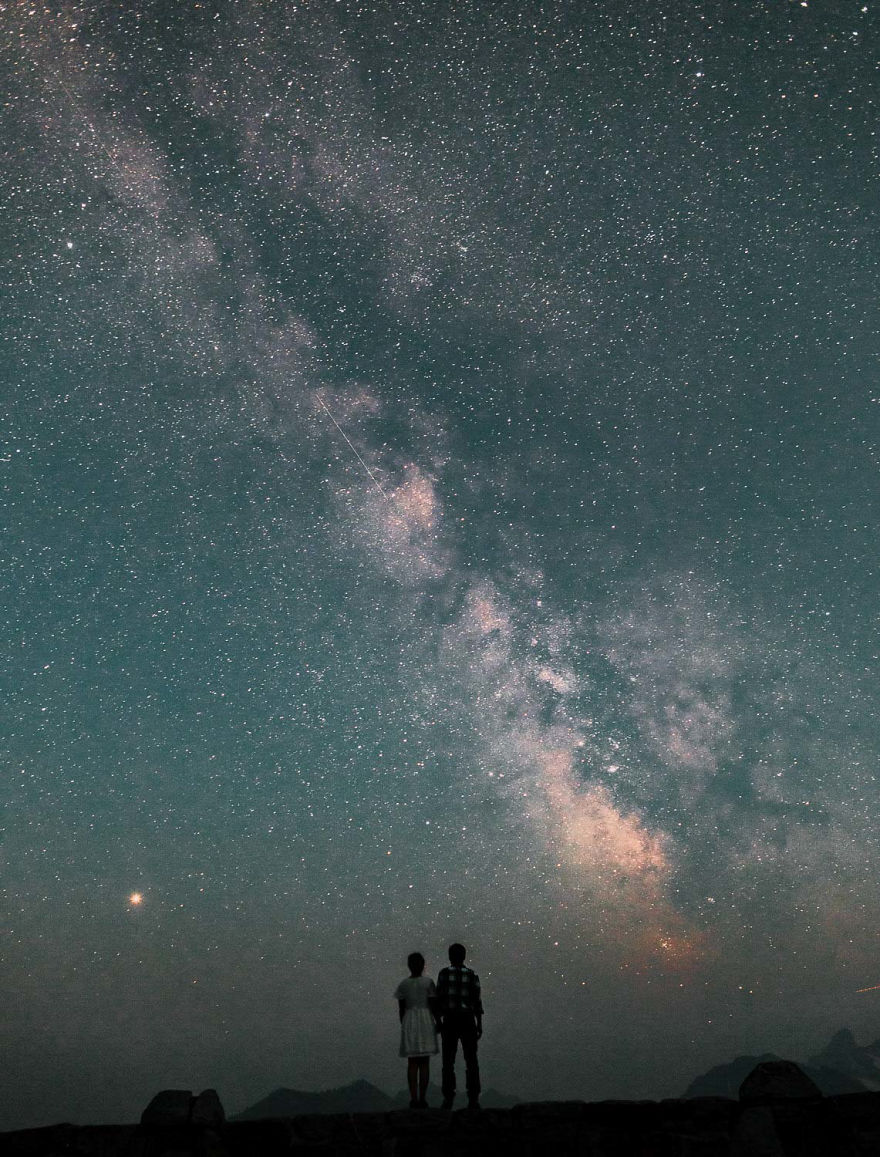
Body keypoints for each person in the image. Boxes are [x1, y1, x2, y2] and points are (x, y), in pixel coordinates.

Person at [436, 943, 483, 1110]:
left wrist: (439, 1022)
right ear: (464, 957)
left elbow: (438, 999)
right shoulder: (472, 975)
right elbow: (477, 1002)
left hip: (450, 1020)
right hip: (467, 1019)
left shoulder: (444, 974)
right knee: (471, 1059)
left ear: (450, 957)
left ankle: (448, 1097)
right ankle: (473, 1098)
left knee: (448, 1061)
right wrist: (479, 1025)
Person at [394, 951, 440, 1109]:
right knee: (424, 1062)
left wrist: (404, 1024)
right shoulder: (428, 983)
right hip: (425, 1020)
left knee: (412, 1063)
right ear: (423, 965)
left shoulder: (403, 985)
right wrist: (438, 1022)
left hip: (410, 1021)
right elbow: (433, 1006)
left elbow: (401, 1009)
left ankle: (414, 1098)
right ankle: (422, 1098)